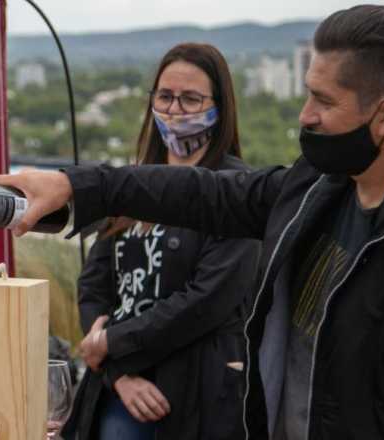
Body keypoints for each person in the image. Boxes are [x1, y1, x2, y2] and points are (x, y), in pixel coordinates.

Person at [0, 5, 384, 439]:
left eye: (323, 100)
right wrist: (78, 187)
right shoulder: (322, 185)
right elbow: (208, 194)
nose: (304, 115)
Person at [63, 43, 259, 440]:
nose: (174, 110)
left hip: (195, 391)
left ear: (220, 107)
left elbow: (207, 301)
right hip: (119, 384)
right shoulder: (135, 186)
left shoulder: (238, 191)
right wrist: (118, 373)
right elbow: (94, 285)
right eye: (165, 96)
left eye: (191, 99)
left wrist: (113, 342)